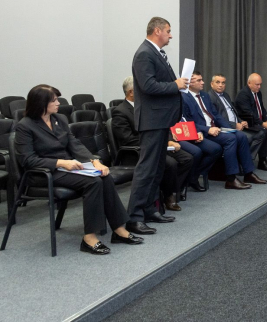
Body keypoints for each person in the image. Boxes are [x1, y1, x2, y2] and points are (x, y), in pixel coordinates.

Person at [15, 85, 143, 255]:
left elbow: (74, 144)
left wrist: (94, 161)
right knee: (93, 182)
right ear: (41, 103)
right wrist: (60, 162)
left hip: (67, 168)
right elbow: (28, 160)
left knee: (104, 176)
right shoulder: (25, 126)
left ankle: (119, 230)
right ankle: (89, 238)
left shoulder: (59, 119)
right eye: (54, 100)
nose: (58, 103)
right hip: (43, 173)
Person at [128, 17, 188, 235]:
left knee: (156, 168)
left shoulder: (156, 53)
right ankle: (134, 218)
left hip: (161, 120)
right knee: (146, 169)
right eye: (168, 31)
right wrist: (175, 85)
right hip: (151, 120)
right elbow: (148, 86)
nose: (170, 35)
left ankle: (149, 209)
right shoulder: (144, 53)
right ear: (157, 31)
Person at [112, 76, 193, 213]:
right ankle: (168, 195)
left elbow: (162, 126)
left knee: (187, 159)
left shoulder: (147, 106)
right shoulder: (120, 111)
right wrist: (157, 142)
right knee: (170, 164)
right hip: (138, 151)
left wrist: (168, 140)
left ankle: (170, 189)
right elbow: (127, 139)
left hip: (158, 144)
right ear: (131, 92)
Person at [182, 71, 266, 189]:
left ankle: (248, 173)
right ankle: (231, 179)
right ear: (190, 83)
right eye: (199, 80)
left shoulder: (204, 95)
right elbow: (187, 122)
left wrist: (228, 128)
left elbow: (216, 115)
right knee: (230, 139)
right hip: (202, 132)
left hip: (216, 129)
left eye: (202, 79)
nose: (203, 82)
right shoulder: (184, 98)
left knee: (241, 136)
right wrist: (207, 129)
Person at [234, 73, 267, 171]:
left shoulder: (258, 92)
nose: (259, 87)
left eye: (260, 84)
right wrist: (263, 124)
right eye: (257, 84)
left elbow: (262, 108)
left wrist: (266, 120)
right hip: (248, 123)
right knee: (263, 130)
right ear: (249, 83)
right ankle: (262, 161)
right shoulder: (243, 95)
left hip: (257, 121)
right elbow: (249, 113)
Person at [208, 74, 265, 160]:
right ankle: (244, 160)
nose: (221, 85)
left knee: (260, 133)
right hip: (225, 128)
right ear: (212, 84)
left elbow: (233, 112)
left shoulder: (225, 95)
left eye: (223, 83)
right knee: (247, 137)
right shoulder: (209, 97)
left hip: (237, 124)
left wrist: (241, 121)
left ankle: (246, 159)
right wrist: (235, 125)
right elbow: (217, 119)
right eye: (218, 82)